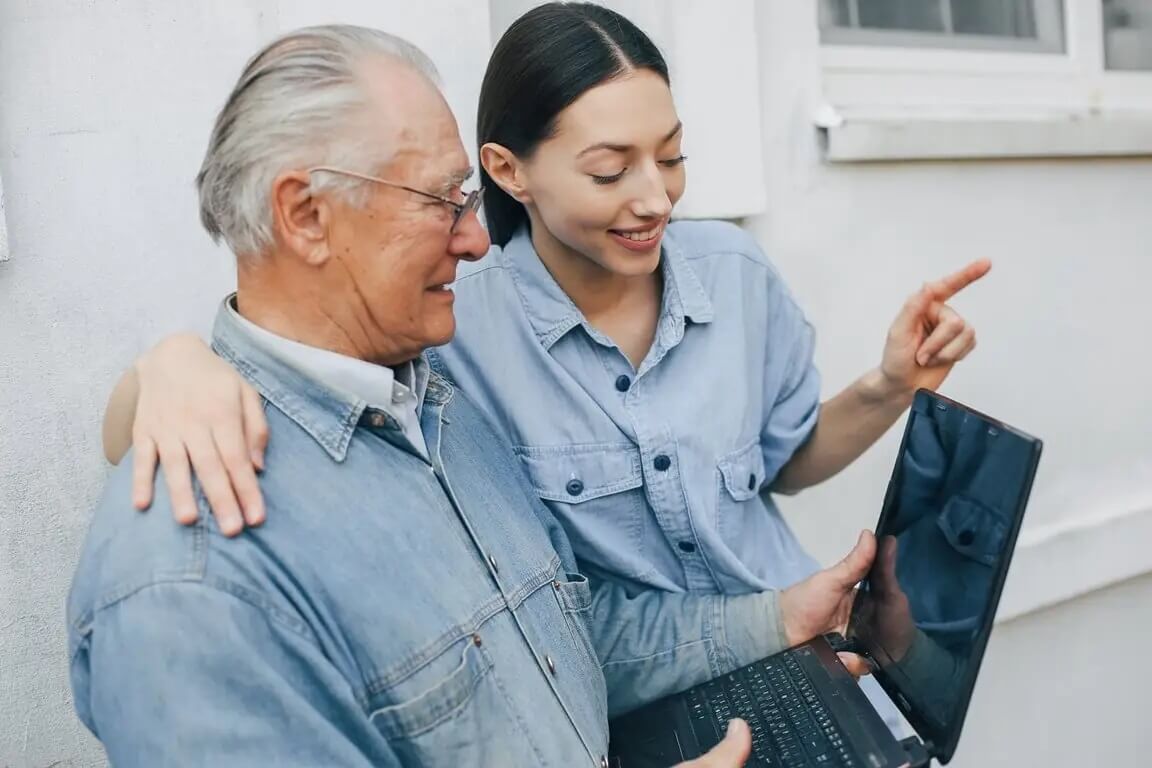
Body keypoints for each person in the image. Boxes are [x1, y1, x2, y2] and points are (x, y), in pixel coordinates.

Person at [104, 0, 986, 732]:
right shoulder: (443, 326)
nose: (655, 198)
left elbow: (779, 465)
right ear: (509, 172)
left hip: (793, 642)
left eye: (672, 157)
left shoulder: (731, 277)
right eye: (610, 171)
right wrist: (174, 364)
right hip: (639, 712)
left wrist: (888, 385)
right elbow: (253, 378)